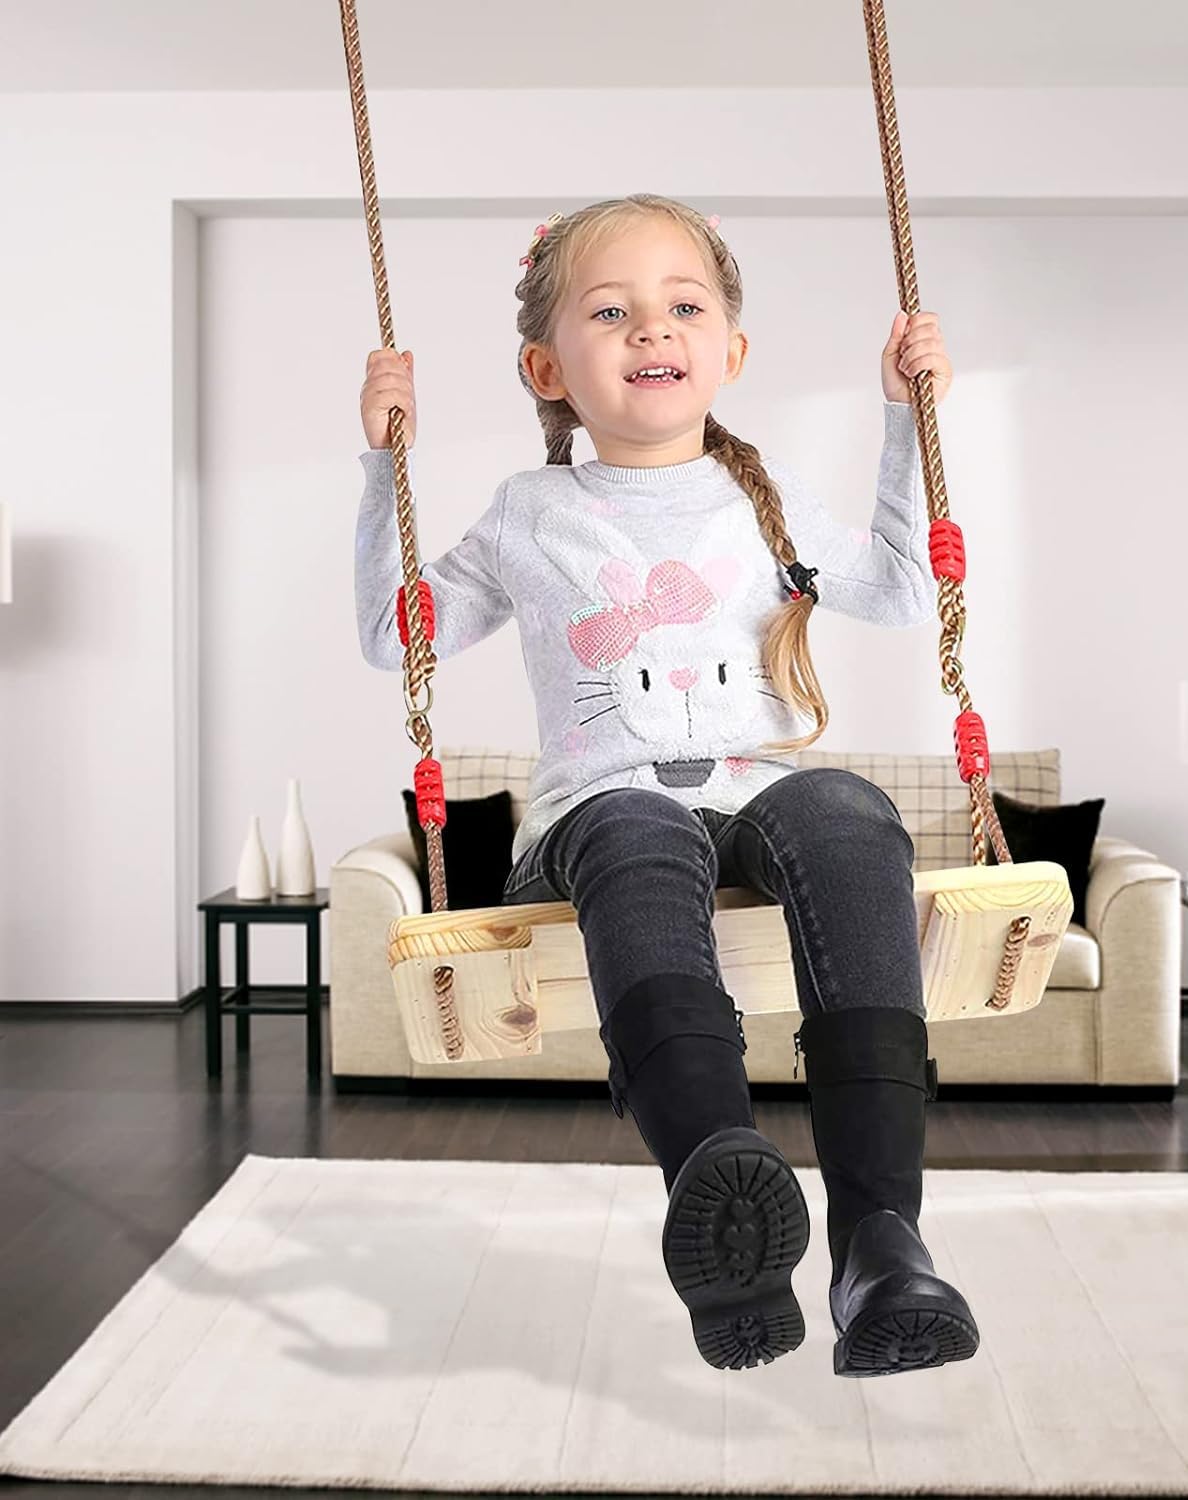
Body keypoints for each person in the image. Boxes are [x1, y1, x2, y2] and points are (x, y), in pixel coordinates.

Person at [353, 194, 979, 1379]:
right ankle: (716, 1175)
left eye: (682, 306)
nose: (653, 329)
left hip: (756, 798)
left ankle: (880, 1241)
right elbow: (401, 635)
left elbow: (902, 588)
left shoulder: (768, 498)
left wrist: (908, 418)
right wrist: (382, 464)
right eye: (611, 310)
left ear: (728, 352)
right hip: (596, 822)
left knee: (846, 811)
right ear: (549, 367)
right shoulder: (531, 513)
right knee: (638, 821)